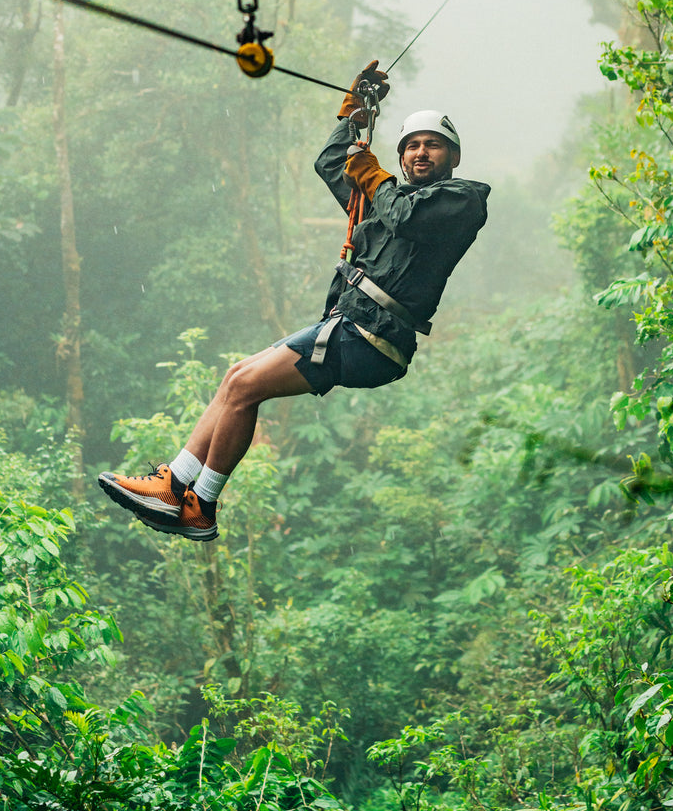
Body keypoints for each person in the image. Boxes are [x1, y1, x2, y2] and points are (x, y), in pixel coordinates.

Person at [99, 61, 490, 540]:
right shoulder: (381, 198)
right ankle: (173, 483)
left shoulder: (462, 200)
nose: (420, 152)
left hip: (374, 337)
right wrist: (352, 116)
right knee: (236, 377)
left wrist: (376, 179)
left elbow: (406, 214)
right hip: (349, 326)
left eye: (433, 144)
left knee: (246, 388)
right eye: (411, 145)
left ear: (453, 157)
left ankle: (201, 505)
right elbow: (331, 164)